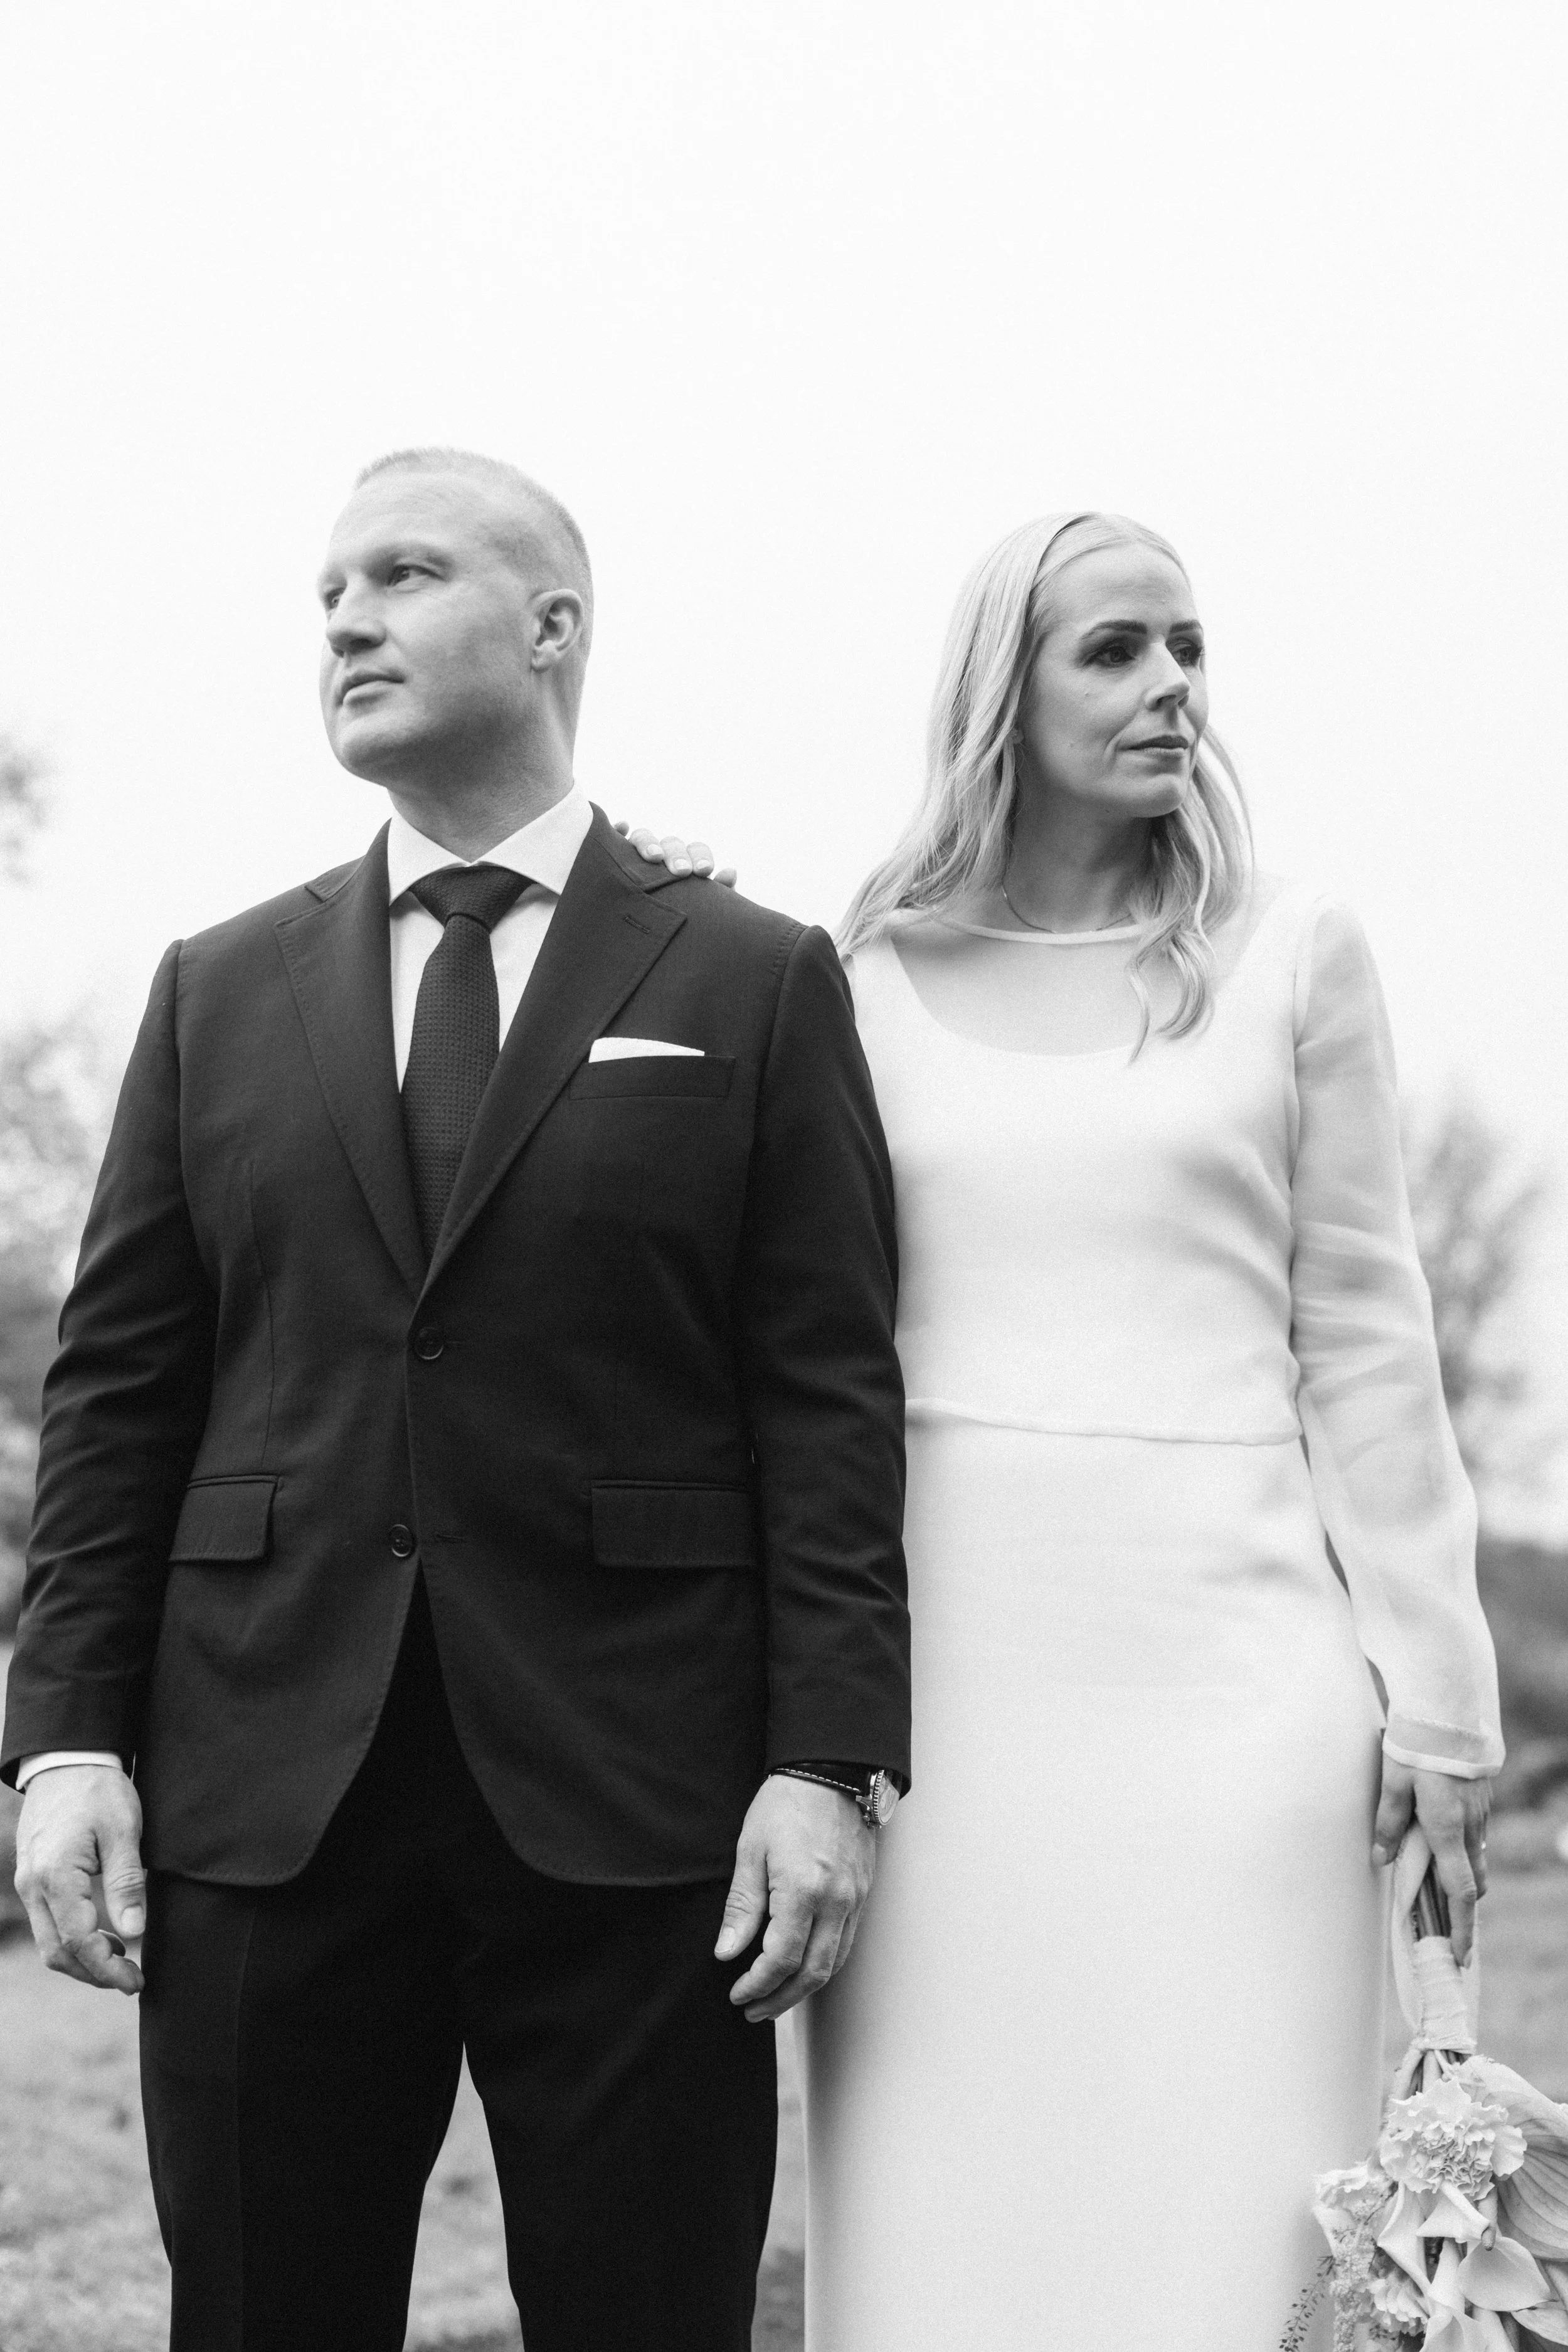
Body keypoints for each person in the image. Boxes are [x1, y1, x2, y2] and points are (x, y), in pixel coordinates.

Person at [2, 447, 911, 2352]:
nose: (346, 620)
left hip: (641, 1804)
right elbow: (118, 1394)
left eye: (403, 575)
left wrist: (826, 1761)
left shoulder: (751, 978)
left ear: (553, 624)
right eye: (329, 593)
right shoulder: (215, 987)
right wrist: (63, 1737)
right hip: (265, 1795)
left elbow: (826, 1394)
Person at [637, 509, 1501, 2348]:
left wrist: (1440, 1692)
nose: (1172, 683)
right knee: (952, 2234)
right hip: (937, 1714)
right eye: (1115, 648)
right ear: (998, 693)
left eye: (1188, 645)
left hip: (1239, 1690)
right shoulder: (847, 976)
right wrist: (652, 914)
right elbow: (774, 1321)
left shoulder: (1292, 952)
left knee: (1238, 2231)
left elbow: (1364, 1332)